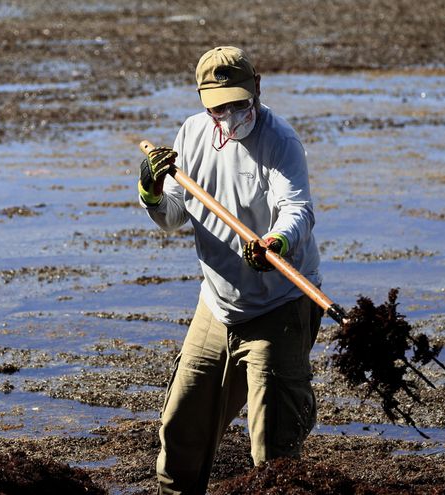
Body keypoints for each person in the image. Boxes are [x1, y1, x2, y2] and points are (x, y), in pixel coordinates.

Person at [137, 46, 324, 494]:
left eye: (240, 102)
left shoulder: (280, 141)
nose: (231, 113)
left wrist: (274, 241)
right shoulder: (193, 133)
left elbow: (296, 208)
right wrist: (151, 190)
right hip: (217, 305)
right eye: (219, 106)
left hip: (280, 306)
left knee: (272, 455)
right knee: (181, 432)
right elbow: (175, 215)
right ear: (203, 101)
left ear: (257, 87)